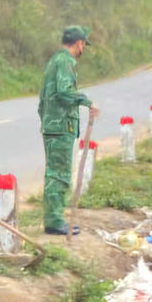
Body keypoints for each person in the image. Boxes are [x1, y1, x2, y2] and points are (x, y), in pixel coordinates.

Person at [38, 25, 98, 235]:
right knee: (59, 174)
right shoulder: (65, 62)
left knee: (55, 172)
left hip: (54, 125)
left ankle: (54, 218)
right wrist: (86, 101)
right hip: (60, 126)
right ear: (79, 43)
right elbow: (64, 91)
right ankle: (54, 221)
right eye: (84, 45)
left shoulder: (56, 60)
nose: (84, 49)